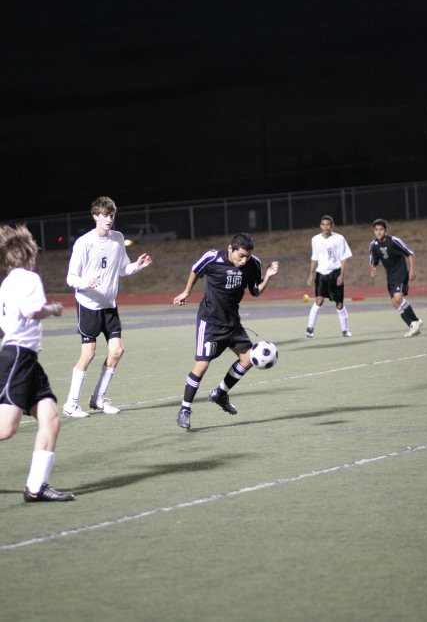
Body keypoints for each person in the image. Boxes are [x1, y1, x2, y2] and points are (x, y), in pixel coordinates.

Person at [173, 232, 279, 430]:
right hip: (210, 322)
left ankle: (220, 393)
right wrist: (187, 291)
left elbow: (255, 291)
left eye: (247, 256)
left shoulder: (253, 263)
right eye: (240, 256)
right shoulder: (212, 258)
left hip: (233, 322)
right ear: (230, 249)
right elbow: (195, 269)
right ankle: (185, 409)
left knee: (247, 359)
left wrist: (268, 277)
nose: (243, 260)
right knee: (202, 365)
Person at [0, 224, 74, 502]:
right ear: (28, 254)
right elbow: (32, 311)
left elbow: (3, 326)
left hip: (24, 357)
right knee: (6, 429)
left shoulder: (7, 283)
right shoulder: (29, 279)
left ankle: (36, 487)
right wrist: (53, 309)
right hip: (19, 357)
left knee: (50, 419)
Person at [63, 196, 152, 418]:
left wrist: (137, 266)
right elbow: (71, 278)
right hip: (88, 305)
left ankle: (97, 399)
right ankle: (71, 404)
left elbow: (123, 269)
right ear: (95, 216)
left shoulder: (118, 238)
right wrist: (87, 282)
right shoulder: (84, 243)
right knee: (89, 353)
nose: (109, 219)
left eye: (112, 215)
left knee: (117, 350)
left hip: (109, 306)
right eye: (104, 215)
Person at [369, 218, 423, 337]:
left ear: (385, 230)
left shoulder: (394, 240)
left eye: (381, 229)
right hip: (391, 276)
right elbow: (373, 261)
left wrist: (412, 270)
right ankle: (413, 325)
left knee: (398, 298)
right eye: (376, 230)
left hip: (401, 273)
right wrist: (372, 269)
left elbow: (410, 253)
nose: (378, 232)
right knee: (395, 303)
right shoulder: (374, 245)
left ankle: (415, 321)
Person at [305, 215, 352, 338]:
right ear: (320, 226)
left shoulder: (339, 238)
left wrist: (341, 275)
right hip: (321, 274)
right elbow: (314, 258)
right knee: (318, 301)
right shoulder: (315, 239)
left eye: (328, 224)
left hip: (335, 273)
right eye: (323, 224)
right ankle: (310, 328)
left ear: (332, 226)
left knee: (339, 303)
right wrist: (311, 274)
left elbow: (343, 258)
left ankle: (345, 330)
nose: (326, 227)